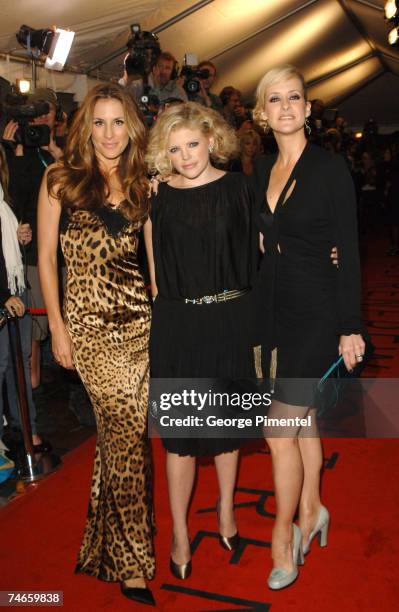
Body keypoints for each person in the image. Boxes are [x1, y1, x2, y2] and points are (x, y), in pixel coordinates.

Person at [37, 84, 155, 606]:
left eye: (118, 123)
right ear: (86, 126)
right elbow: (45, 259)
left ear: (131, 128)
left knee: (118, 437)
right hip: (87, 328)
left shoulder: (141, 182)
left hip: (139, 325)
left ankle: (102, 547)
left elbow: (155, 266)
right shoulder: (59, 179)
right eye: (100, 122)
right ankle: (133, 564)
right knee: (128, 435)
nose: (109, 134)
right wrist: (58, 328)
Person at [251, 65, 365, 590]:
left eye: (295, 97)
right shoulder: (261, 170)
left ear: (308, 108)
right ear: (262, 112)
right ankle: (315, 509)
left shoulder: (329, 168)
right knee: (302, 425)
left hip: (319, 311)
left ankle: (284, 538)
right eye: (276, 99)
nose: (287, 107)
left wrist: (350, 326)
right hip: (275, 310)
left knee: (278, 430)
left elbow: (351, 250)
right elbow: (259, 240)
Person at [145, 102, 259, 579]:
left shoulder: (239, 189)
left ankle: (228, 512)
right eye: (174, 149)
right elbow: (154, 275)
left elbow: (264, 251)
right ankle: (179, 533)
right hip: (179, 325)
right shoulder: (156, 197)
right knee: (180, 441)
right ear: (162, 154)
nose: (185, 155)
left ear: (212, 140)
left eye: (192, 144)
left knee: (228, 431)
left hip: (233, 319)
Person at [3, 88, 63, 390]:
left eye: (47, 111)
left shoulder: (58, 149)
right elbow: (16, 197)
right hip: (35, 253)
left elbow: (76, 188)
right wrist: (15, 151)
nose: (41, 118)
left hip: (62, 251)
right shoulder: (19, 151)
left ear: (57, 117)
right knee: (36, 333)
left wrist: (53, 150)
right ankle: (32, 389)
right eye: (36, 113)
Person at [0, 144, 47, 453]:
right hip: (6, 294)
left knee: (20, 361)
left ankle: (25, 427)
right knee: (4, 364)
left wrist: (19, 238)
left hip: (15, 287)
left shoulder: (4, 200)